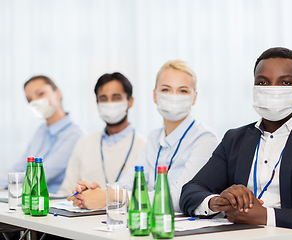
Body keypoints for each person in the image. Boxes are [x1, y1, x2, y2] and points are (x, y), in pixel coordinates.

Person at [179, 47, 292, 240]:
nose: (273, 90)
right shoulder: (234, 139)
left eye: (285, 82)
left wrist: (265, 216)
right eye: (263, 82)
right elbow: (191, 190)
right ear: (255, 89)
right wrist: (217, 202)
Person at [68, 59, 219, 212]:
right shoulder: (154, 138)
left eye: (183, 91)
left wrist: (112, 196)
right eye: (166, 89)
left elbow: (180, 197)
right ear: (154, 95)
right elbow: (128, 182)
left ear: (194, 97)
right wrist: (94, 194)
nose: (174, 96)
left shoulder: (205, 139)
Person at [57, 72, 146, 195]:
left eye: (116, 98)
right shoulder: (84, 143)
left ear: (130, 101)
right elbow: (66, 193)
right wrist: (76, 197)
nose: (109, 103)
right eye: (103, 99)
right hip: (85, 214)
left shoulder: (144, 146)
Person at [0, 75, 84, 193]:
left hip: (53, 202)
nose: (35, 102)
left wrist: (9, 180)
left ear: (57, 94)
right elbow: (20, 167)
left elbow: (41, 174)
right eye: (29, 100)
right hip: (30, 198)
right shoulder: (41, 131)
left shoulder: (74, 135)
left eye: (40, 94)